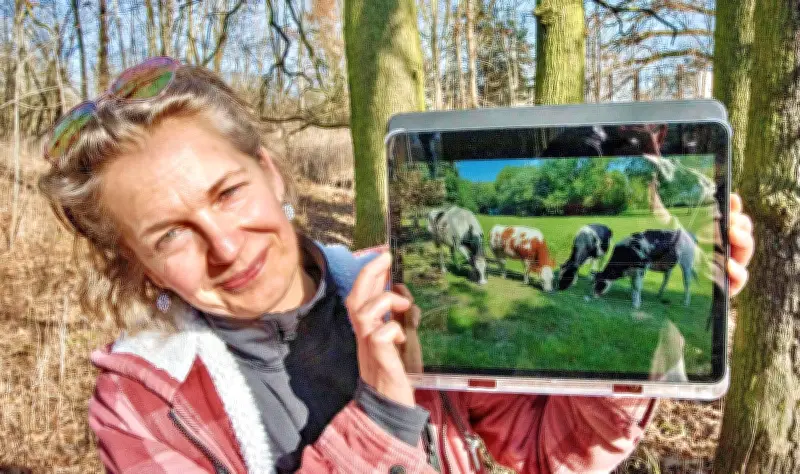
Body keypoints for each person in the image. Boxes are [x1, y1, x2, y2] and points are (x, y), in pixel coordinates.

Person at [39, 57, 754, 474]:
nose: (226, 247)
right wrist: (380, 413)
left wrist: (633, 361)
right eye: (170, 235)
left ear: (270, 172)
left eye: (229, 193)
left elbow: (548, 451)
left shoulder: (397, 292)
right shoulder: (145, 405)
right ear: (140, 266)